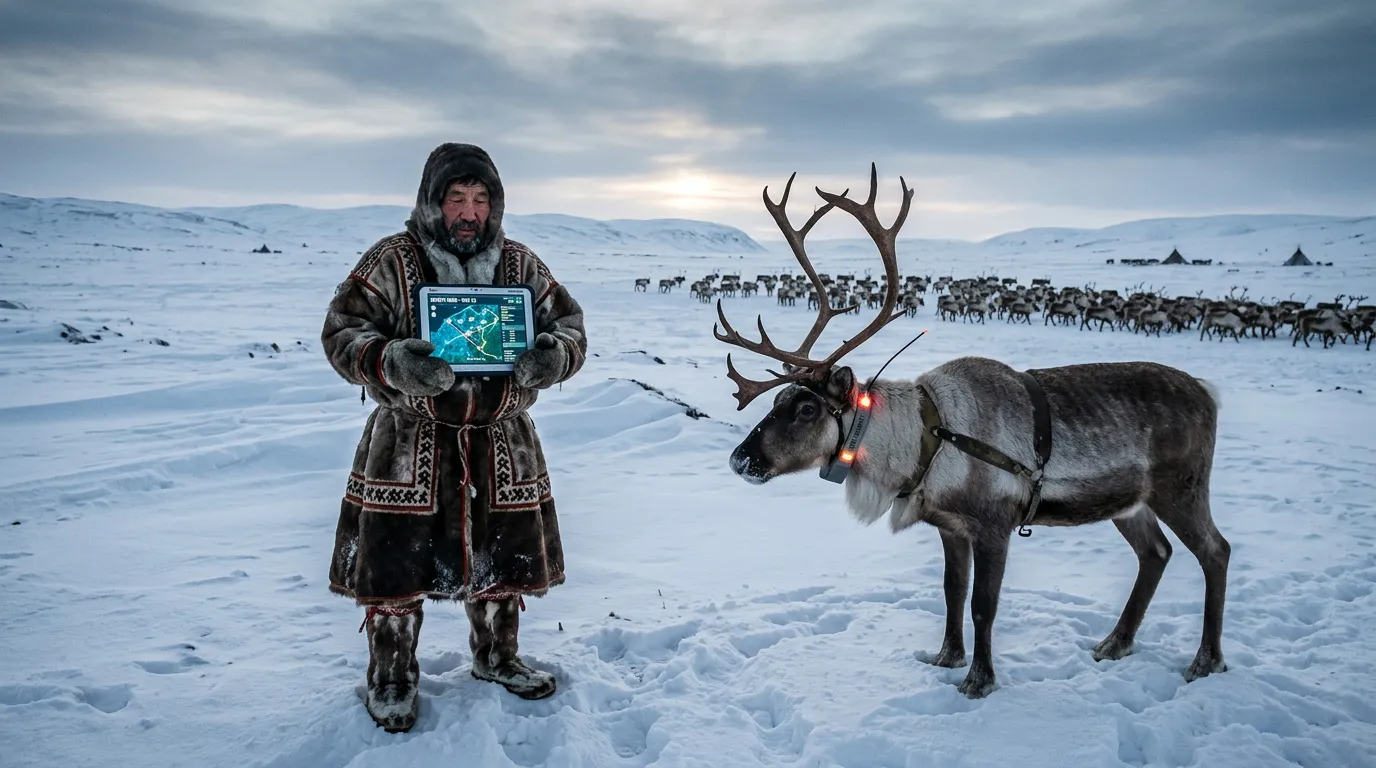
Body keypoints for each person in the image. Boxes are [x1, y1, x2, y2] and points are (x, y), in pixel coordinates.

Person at [321, 143, 587, 732]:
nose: (468, 212)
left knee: (502, 557)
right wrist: (389, 361)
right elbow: (341, 332)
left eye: (480, 199)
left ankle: (498, 656)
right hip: (409, 444)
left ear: (494, 206)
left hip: (501, 439)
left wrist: (553, 358)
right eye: (456, 199)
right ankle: (391, 676)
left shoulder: (521, 266)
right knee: (396, 565)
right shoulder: (391, 261)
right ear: (432, 202)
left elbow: (570, 327)